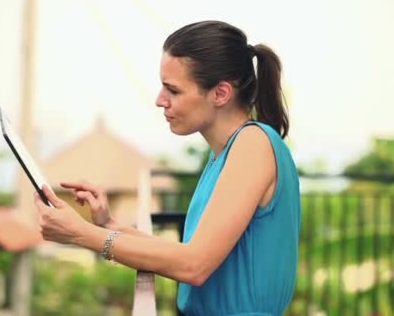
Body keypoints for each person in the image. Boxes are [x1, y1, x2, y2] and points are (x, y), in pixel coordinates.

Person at [33, 20, 301, 315]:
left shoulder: (253, 145)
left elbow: (194, 264)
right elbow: (187, 254)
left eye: (172, 90)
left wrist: (81, 234)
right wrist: (108, 225)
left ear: (221, 93)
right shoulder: (225, 154)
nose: (160, 100)